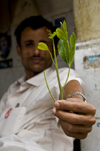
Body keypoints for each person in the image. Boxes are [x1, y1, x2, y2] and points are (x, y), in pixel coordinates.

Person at [0, 15, 96, 151]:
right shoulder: (12, 90)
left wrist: (75, 103)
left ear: (55, 51)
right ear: (19, 50)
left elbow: (72, 86)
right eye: (29, 44)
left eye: (43, 45)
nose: (36, 51)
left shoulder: (61, 75)